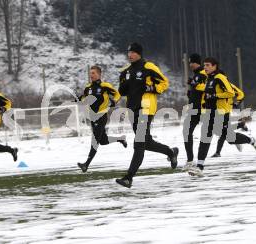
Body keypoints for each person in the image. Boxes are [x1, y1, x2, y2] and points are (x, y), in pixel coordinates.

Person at [115, 42, 179, 188]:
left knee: (138, 144)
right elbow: (122, 91)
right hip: (132, 109)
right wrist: (119, 93)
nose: (130, 55)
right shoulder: (126, 71)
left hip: (146, 109)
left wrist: (151, 87)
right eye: (128, 52)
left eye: (133, 52)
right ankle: (171, 152)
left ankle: (128, 178)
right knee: (146, 143)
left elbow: (165, 83)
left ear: (139, 53)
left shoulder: (149, 67)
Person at [188, 58, 256, 177]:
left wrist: (215, 96)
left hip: (221, 113)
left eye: (207, 65)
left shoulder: (220, 77)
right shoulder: (209, 78)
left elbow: (231, 93)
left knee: (230, 138)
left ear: (214, 66)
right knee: (205, 138)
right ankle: (199, 167)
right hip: (210, 113)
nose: (205, 67)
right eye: (204, 65)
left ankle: (252, 140)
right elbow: (207, 95)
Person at [77, 65, 127, 172]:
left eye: (93, 73)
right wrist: (78, 99)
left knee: (95, 140)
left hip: (102, 115)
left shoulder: (105, 86)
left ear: (99, 74)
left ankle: (86, 164)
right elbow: (83, 97)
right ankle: (121, 139)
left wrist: (114, 101)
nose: (91, 75)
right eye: (90, 73)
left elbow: (117, 94)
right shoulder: (88, 87)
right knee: (103, 141)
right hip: (92, 117)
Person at [183, 53, 206, 170]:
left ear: (198, 63)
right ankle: (190, 160)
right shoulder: (196, 75)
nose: (191, 65)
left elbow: (205, 87)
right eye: (190, 62)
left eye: (193, 62)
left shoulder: (203, 74)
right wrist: (191, 94)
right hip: (194, 109)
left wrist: (194, 85)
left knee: (224, 133)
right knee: (186, 132)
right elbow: (198, 90)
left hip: (203, 109)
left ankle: (250, 140)